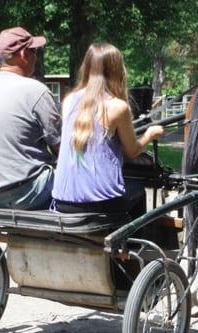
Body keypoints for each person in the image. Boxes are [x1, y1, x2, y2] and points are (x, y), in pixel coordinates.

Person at [51, 43, 163, 214]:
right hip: (99, 205)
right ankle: (133, 241)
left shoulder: (69, 101)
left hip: (62, 202)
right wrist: (149, 135)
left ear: (87, 68)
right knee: (138, 191)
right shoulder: (117, 107)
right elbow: (132, 152)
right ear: (117, 70)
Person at [0, 27, 61, 210]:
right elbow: (61, 148)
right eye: (34, 51)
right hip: (25, 194)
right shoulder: (35, 91)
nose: (36, 57)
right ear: (23, 54)